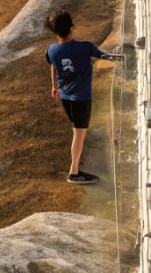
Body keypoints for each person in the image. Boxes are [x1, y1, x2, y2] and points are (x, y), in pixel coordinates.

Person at [45, 10, 120, 184]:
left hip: (66, 98)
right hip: (81, 100)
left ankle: (77, 159)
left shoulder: (52, 50)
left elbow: (53, 65)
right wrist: (123, 57)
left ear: (55, 32)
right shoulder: (85, 47)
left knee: (77, 132)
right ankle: (74, 172)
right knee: (78, 135)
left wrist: (54, 86)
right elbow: (106, 56)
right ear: (71, 28)